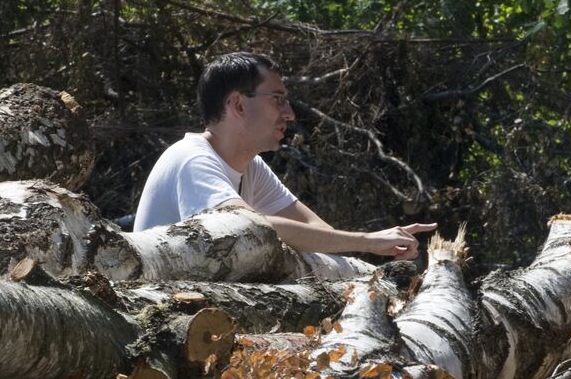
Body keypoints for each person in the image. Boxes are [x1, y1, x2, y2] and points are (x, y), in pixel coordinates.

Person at [133, 52, 436, 258]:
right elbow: (245, 225)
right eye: (278, 100)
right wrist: (368, 242)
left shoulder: (252, 167)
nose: (289, 114)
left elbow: (320, 234)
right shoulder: (191, 158)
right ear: (238, 105)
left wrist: (372, 245)